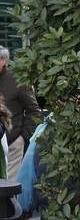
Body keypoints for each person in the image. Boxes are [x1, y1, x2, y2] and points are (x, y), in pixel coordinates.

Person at [0, 47, 40, 179]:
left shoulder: (18, 80)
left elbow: (34, 111)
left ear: (3, 60)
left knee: (7, 192)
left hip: (12, 144)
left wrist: (22, 138)